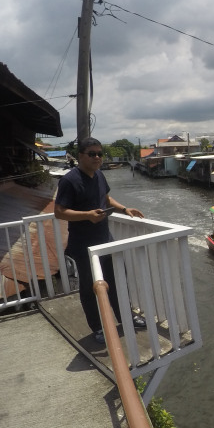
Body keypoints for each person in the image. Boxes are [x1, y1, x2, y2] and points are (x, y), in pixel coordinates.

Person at [54, 137, 145, 344]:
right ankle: (97, 328)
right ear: (80, 156)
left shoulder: (99, 176)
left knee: (117, 281)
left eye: (100, 154)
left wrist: (124, 209)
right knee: (90, 288)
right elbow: (59, 212)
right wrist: (87, 215)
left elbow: (106, 198)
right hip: (83, 245)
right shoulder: (69, 180)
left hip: (106, 240)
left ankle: (125, 317)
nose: (97, 157)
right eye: (92, 154)